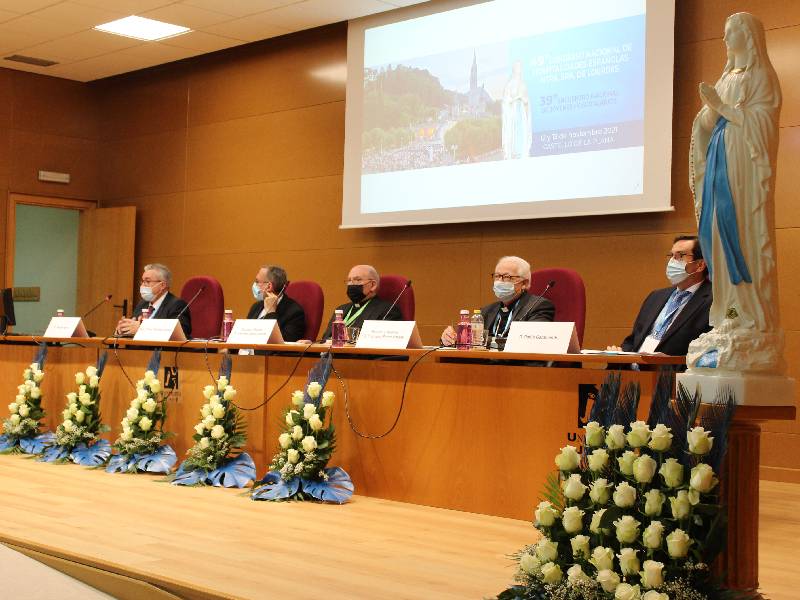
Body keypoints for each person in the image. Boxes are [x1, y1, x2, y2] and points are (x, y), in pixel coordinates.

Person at [688, 12, 782, 371]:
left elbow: (763, 123)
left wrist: (722, 107)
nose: (725, 42)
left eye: (730, 35)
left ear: (747, 37)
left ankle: (749, 317)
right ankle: (728, 313)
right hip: (718, 162)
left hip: (742, 167)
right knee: (714, 234)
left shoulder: (760, 76)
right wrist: (711, 111)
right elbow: (710, 121)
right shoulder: (727, 76)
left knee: (738, 234)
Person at [611, 236, 711, 356]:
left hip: (671, 371)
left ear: (700, 265)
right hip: (635, 369)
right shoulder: (655, 297)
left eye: (680, 255)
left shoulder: (714, 300)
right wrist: (620, 354)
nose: (672, 261)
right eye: (671, 255)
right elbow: (633, 340)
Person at [441, 256, 554, 348]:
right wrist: (453, 338)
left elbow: (530, 341)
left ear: (524, 283)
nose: (500, 281)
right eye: (497, 276)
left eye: (506, 277)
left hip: (519, 367)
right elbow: (471, 340)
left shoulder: (539, 306)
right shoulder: (486, 311)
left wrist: (483, 340)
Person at [321, 265, 402, 340]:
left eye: (357, 280)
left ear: (373, 285)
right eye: (349, 280)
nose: (351, 285)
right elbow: (325, 340)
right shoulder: (341, 309)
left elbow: (382, 346)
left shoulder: (387, 310)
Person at [116, 263, 192, 338]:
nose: (142, 285)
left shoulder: (177, 305)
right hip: (137, 349)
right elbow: (132, 329)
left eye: (147, 281)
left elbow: (180, 334)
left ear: (162, 285)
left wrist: (142, 328)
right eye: (142, 281)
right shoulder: (142, 304)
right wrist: (123, 328)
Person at [246, 265, 305, 342]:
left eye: (257, 281)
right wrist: (229, 349)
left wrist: (271, 313)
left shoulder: (294, 312)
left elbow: (280, 344)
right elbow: (245, 336)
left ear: (269, 286)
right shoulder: (256, 306)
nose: (254, 285)